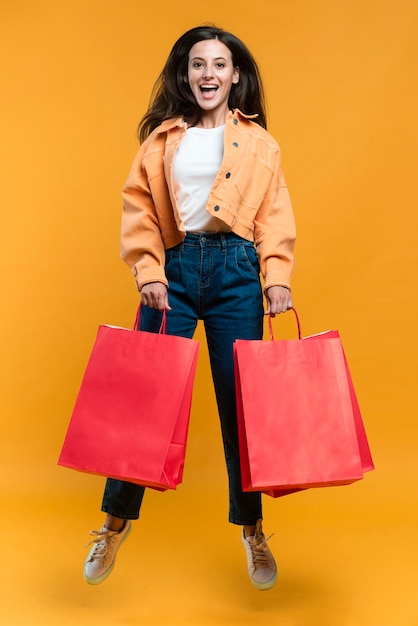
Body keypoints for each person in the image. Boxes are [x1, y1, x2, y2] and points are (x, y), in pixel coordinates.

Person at [84, 24, 296, 591]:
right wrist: (149, 271)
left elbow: (274, 213)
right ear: (186, 74)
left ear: (235, 76)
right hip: (173, 272)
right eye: (197, 64)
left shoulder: (260, 143)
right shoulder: (159, 141)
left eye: (219, 65)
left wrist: (276, 278)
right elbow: (139, 211)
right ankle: (113, 524)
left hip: (236, 272)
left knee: (241, 408)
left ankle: (251, 530)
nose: (208, 74)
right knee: (142, 404)